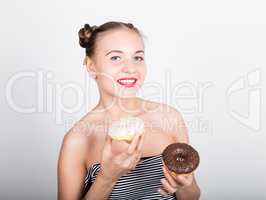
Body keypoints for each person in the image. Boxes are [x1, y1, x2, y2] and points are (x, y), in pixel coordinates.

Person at [57, 21, 201, 200]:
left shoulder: (169, 117)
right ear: (91, 66)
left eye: (137, 57)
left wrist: (184, 185)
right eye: (115, 58)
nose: (131, 68)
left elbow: (192, 196)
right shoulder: (78, 139)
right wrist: (107, 178)